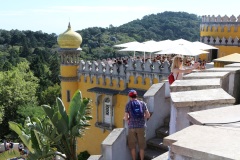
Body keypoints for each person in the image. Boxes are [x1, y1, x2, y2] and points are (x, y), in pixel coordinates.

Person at [124, 89, 150, 160]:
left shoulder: (128, 105)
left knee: (132, 146)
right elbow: (147, 115)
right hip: (141, 127)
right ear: (136, 95)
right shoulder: (142, 103)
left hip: (132, 127)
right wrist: (142, 118)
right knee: (141, 146)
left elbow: (126, 118)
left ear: (130, 96)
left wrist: (129, 118)